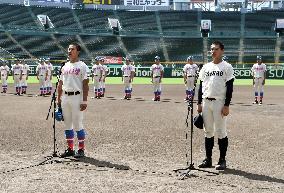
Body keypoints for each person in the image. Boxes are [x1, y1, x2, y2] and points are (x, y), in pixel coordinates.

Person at [197, 41, 235, 170]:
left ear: (222, 50)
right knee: (208, 131)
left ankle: (222, 160)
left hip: (219, 103)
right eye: (212, 49)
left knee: (221, 131)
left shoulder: (227, 67)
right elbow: (201, 86)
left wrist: (226, 105)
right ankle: (208, 159)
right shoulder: (206, 67)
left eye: (216, 49)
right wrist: (198, 103)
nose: (213, 51)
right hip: (206, 102)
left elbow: (230, 87)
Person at [57, 43, 89, 158]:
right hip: (65, 97)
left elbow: (85, 85)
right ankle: (70, 149)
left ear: (78, 51)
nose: (70, 51)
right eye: (69, 49)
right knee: (67, 125)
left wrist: (84, 101)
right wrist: (58, 101)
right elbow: (60, 84)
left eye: (72, 49)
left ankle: (81, 149)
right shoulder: (64, 66)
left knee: (78, 124)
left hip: (77, 97)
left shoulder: (82, 66)